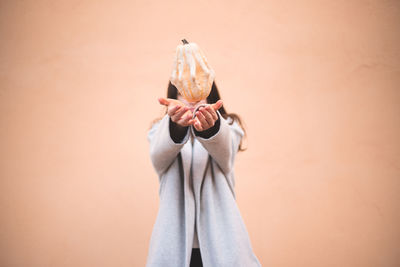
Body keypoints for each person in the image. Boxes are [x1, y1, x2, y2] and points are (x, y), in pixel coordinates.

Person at [145, 80, 262, 267]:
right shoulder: (159, 132)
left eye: (198, 91)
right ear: (173, 97)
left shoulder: (229, 127)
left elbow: (225, 152)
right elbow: (159, 157)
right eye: (183, 92)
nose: (191, 99)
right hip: (174, 246)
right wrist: (177, 128)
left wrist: (211, 129)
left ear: (210, 94)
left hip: (223, 243)